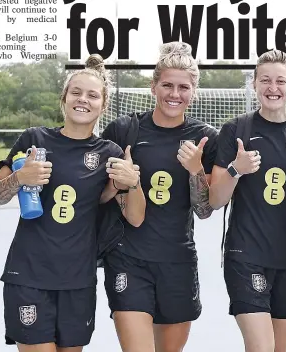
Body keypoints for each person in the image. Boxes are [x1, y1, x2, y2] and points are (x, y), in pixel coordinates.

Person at [0, 54, 146, 352]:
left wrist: (132, 183)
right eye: (76, 92)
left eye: (92, 95)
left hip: (78, 279)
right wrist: (20, 177)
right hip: (29, 274)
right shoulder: (34, 139)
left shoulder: (109, 152)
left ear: (103, 104)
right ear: (64, 98)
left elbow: (136, 218)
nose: (82, 100)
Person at [101, 41, 218, 352]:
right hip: (128, 258)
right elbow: (96, 193)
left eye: (183, 87)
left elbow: (205, 210)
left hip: (177, 261)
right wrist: (121, 185)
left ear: (194, 91)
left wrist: (196, 170)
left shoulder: (205, 138)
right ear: (153, 86)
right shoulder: (124, 130)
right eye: (167, 85)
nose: (174, 94)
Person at [209, 49, 286, 352]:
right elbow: (215, 199)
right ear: (254, 83)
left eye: (280, 81)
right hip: (246, 255)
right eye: (265, 80)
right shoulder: (236, 130)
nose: (272, 88)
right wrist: (237, 169)